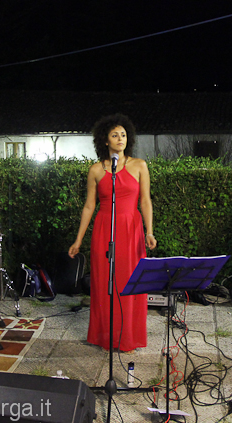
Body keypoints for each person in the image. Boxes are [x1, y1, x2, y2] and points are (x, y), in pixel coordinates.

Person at [69, 113, 157, 352]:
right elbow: (89, 206)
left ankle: (128, 336)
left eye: (124, 135)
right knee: (104, 283)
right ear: (105, 140)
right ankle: (105, 336)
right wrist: (78, 240)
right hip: (104, 229)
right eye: (115, 135)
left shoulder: (140, 165)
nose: (121, 139)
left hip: (131, 230)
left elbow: (145, 201)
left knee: (130, 283)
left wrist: (149, 231)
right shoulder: (96, 170)